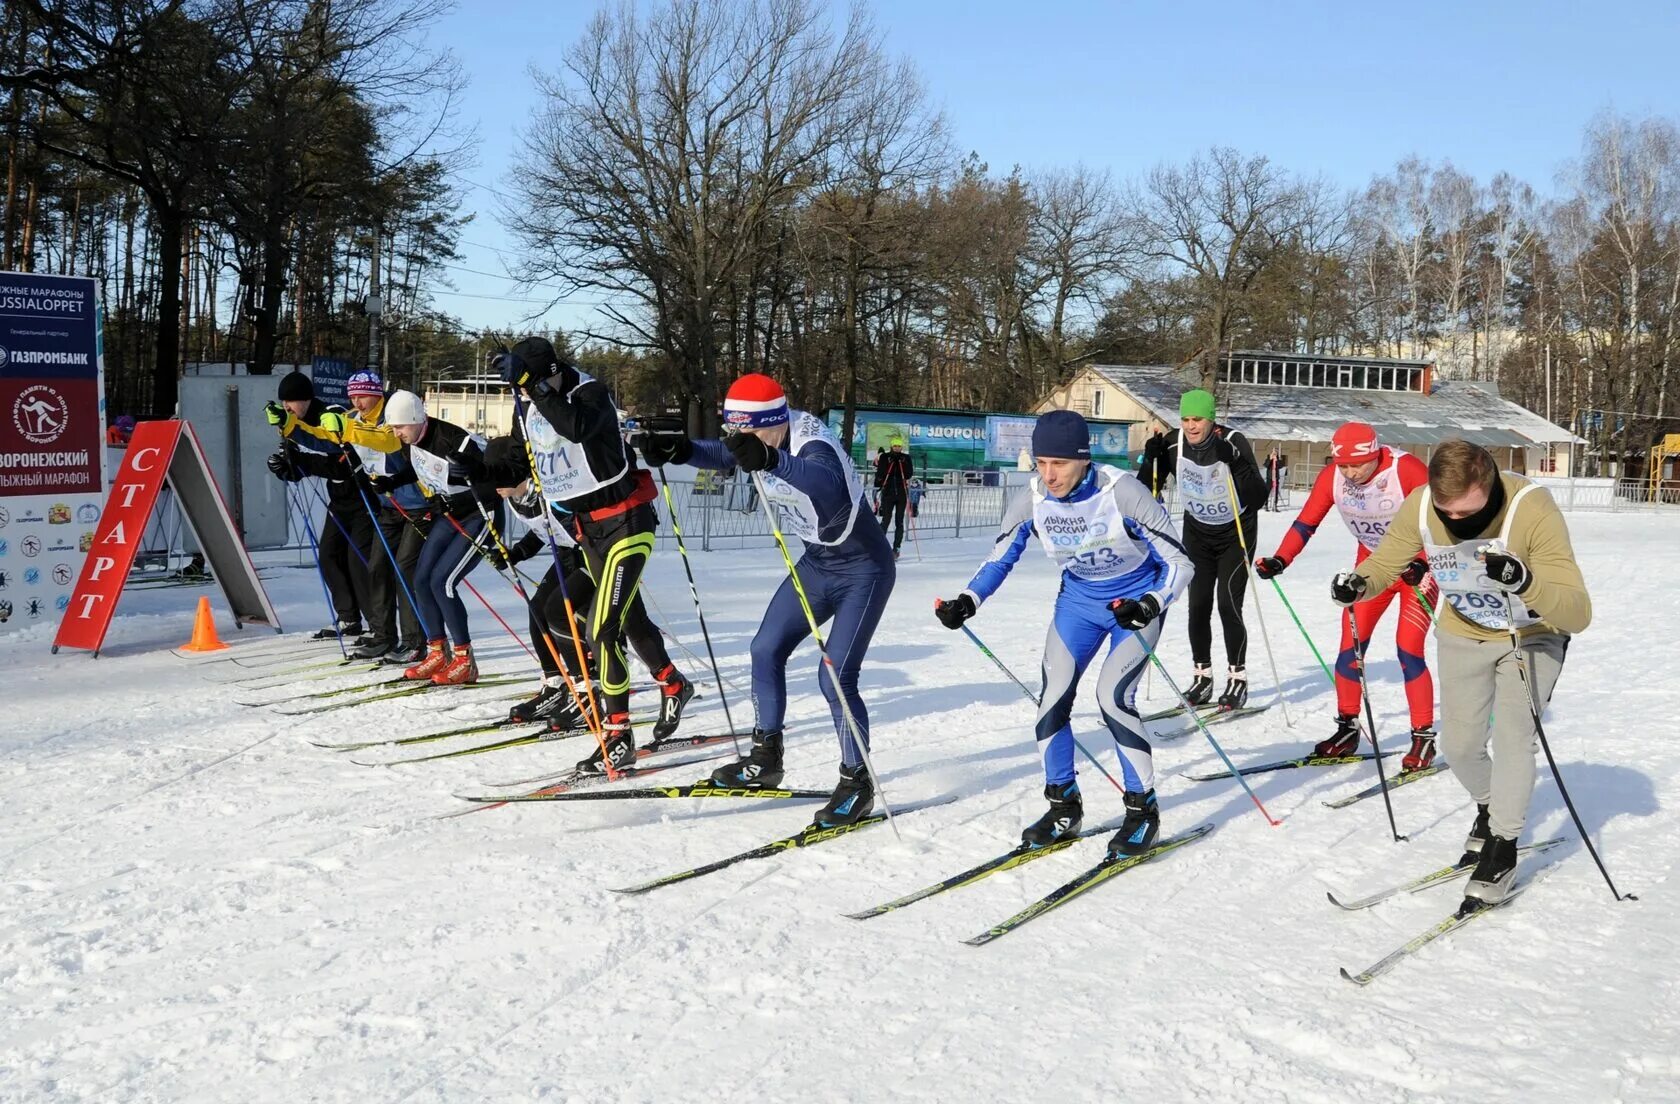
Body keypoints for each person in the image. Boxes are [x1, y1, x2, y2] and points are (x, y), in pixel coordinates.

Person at [1332, 438, 1591, 907]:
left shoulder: (1530, 509)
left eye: (1468, 514)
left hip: (1530, 636)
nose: (1456, 523)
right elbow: (1387, 562)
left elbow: (1577, 611)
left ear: (1488, 485)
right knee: (1460, 745)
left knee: (1514, 739)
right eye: (1447, 514)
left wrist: (1526, 582)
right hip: (1463, 630)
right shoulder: (1423, 504)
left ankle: (1504, 845)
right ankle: (1492, 809)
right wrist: (1359, 583)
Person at [636, 373, 895, 827]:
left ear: (776, 421)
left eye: (753, 431)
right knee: (764, 648)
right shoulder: (759, 437)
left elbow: (826, 484)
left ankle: (857, 782)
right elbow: (726, 454)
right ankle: (765, 758)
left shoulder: (813, 441)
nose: (744, 440)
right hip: (817, 566)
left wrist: (773, 460)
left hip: (863, 570)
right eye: (739, 431)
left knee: (835, 674)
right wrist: (682, 450)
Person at [934, 410, 1191, 855]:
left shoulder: (1123, 491)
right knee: (1051, 702)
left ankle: (1141, 810)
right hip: (1078, 605)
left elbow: (1180, 563)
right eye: (1041, 463)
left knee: (1113, 699)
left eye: (1060, 464)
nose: (1049, 475)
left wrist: (1150, 604)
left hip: (1134, 604)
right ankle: (1062, 804)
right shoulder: (1033, 498)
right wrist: (968, 600)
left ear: (1084, 460)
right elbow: (999, 557)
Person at [496, 336, 686, 774]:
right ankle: (673, 683)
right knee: (629, 618)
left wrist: (535, 389)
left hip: (626, 522)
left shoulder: (591, 393)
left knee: (603, 629)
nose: (525, 395)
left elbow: (575, 427)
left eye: (531, 385)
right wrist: (486, 474)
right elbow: (523, 457)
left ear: (550, 374)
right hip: (588, 530)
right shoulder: (527, 401)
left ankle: (618, 736)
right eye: (521, 389)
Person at [480, 435, 693, 739]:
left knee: (569, 614)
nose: (494, 485)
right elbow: (547, 531)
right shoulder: (517, 496)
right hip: (579, 546)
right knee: (549, 610)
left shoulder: (548, 484)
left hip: (606, 537)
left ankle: (593, 693)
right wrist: (515, 554)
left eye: (498, 475)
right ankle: (564, 685)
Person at [1255, 423, 1438, 768]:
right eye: (1343, 466)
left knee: (1408, 649)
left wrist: (1423, 564)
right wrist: (1282, 558)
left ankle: (1423, 737)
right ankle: (1347, 728)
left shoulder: (1406, 470)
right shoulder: (1332, 478)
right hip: (1370, 570)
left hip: (1417, 570)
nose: (1351, 473)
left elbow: (1442, 520)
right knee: (1348, 651)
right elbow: (1307, 522)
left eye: (1358, 465)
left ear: (1375, 454)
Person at [1135, 388, 1267, 710]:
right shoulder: (1173, 443)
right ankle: (1202, 676)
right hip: (1198, 533)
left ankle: (1237, 679)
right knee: (1198, 604)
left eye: (1198, 419)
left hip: (1236, 532)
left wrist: (1234, 461)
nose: (1192, 426)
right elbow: (1143, 490)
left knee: (1227, 604)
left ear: (1211, 420)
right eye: (1186, 419)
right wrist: (1151, 458)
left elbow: (1258, 497)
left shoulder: (1234, 441)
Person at [382, 390, 490, 685]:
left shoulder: (453, 439)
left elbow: (488, 479)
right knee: (421, 579)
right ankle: (436, 651)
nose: (396, 433)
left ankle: (464, 660)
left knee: (444, 581)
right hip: (449, 516)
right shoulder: (411, 442)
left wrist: (460, 500)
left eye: (400, 427)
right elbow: (418, 470)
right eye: (393, 427)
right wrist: (392, 481)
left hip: (481, 515)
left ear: (416, 419)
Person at [325, 369, 431, 664]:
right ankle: (383, 635)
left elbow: (386, 443)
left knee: (404, 570)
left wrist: (345, 430)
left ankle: (414, 641)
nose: (357, 402)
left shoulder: (393, 420)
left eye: (362, 396)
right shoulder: (355, 420)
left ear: (377, 394)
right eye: (353, 396)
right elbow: (329, 440)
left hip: (418, 507)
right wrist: (291, 426)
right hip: (387, 506)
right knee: (377, 568)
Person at [263, 370, 374, 645]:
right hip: (339, 498)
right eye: (284, 402)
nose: (287, 407)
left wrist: (304, 463)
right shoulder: (292, 423)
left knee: (356, 559)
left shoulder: (331, 413)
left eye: (292, 401)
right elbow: (302, 462)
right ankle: (348, 617)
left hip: (363, 496)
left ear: (307, 399)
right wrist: (287, 468)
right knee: (328, 555)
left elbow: (340, 459)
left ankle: (377, 622)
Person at [874, 437, 914, 559]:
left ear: (902, 447)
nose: (897, 448)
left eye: (899, 446)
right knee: (885, 520)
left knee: (899, 521)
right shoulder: (885, 457)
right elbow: (880, 473)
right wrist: (889, 463)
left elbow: (908, 474)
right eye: (895, 446)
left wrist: (903, 463)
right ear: (891, 446)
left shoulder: (906, 457)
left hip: (901, 493)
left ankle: (896, 548)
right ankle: (880, 546)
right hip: (888, 493)